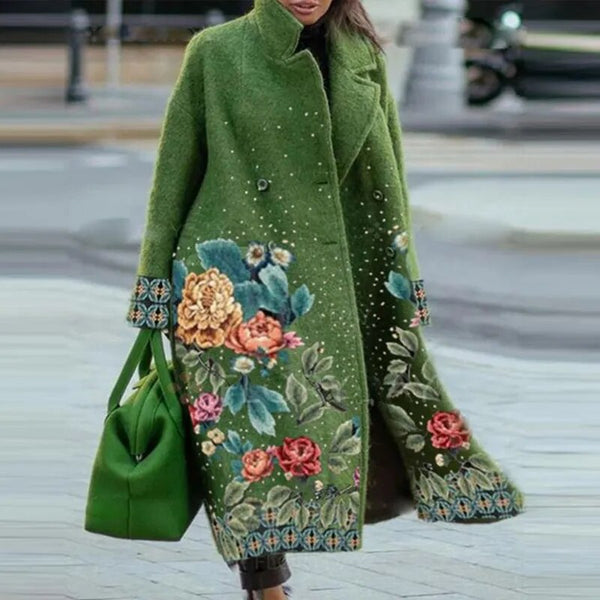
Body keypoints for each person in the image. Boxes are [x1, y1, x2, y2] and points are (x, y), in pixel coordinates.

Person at [125, 1, 526, 599]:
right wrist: (154, 286)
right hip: (231, 284)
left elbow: (387, 173)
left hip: (331, 273)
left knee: (325, 418)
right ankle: (265, 582)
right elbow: (174, 173)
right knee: (247, 442)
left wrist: (403, 276)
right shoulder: (216, 52)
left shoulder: (361, 55)